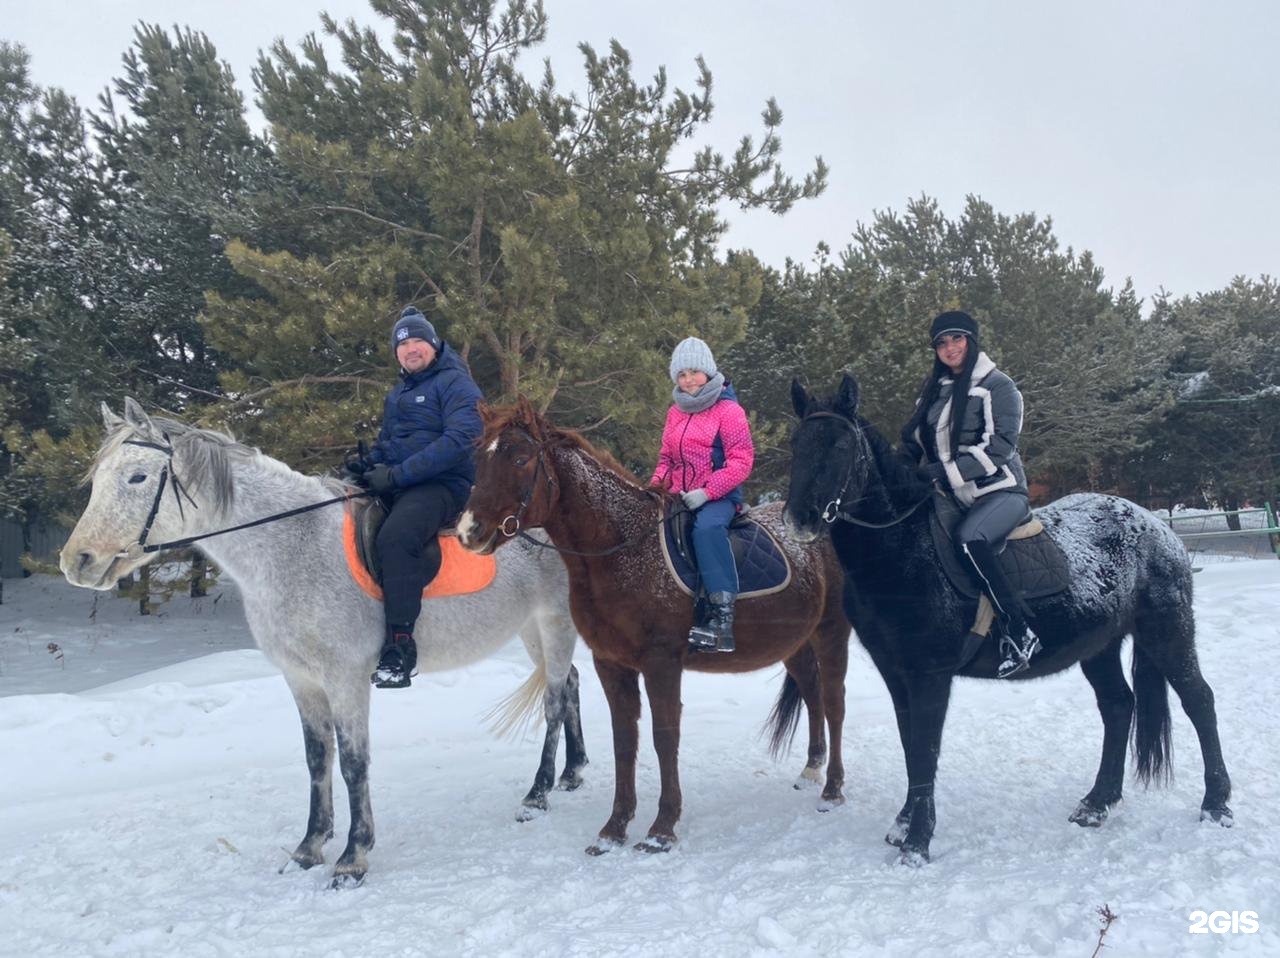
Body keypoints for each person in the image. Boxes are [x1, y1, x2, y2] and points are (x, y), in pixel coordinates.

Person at [899, 310, 1039, 678]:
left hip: (1000, 492)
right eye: (941, 343)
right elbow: (914, 443)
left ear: (971, 341)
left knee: (968, 539)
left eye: (956, 339)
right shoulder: (932, 392)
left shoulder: (998, 386)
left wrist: (942, 474)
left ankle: (1017, 628)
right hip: (950, 496)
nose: (949, 348)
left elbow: (1000, 447)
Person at [350, 305, 483, 688]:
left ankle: (400, 647)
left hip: (444, 484)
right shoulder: (399, 395)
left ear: (434, 345)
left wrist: (396, 475)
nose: (411, 348)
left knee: (396, 537)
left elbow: (461, 440)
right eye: (402, 343)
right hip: (403, 482)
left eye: (418, 340)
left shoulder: (456, 383)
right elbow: (390, 445)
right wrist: (367, 465)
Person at [651, 336, 755, 653]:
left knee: (706, 529)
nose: (688, 380)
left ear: (708, 372)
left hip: (719, 497)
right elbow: (667, 459)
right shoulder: (675, 413)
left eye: (694, 372)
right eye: (682, 375)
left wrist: (708, 492)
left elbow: (742, 461)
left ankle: (721, 616)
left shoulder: (729, 410)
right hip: (678, 494)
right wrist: (653, 487)